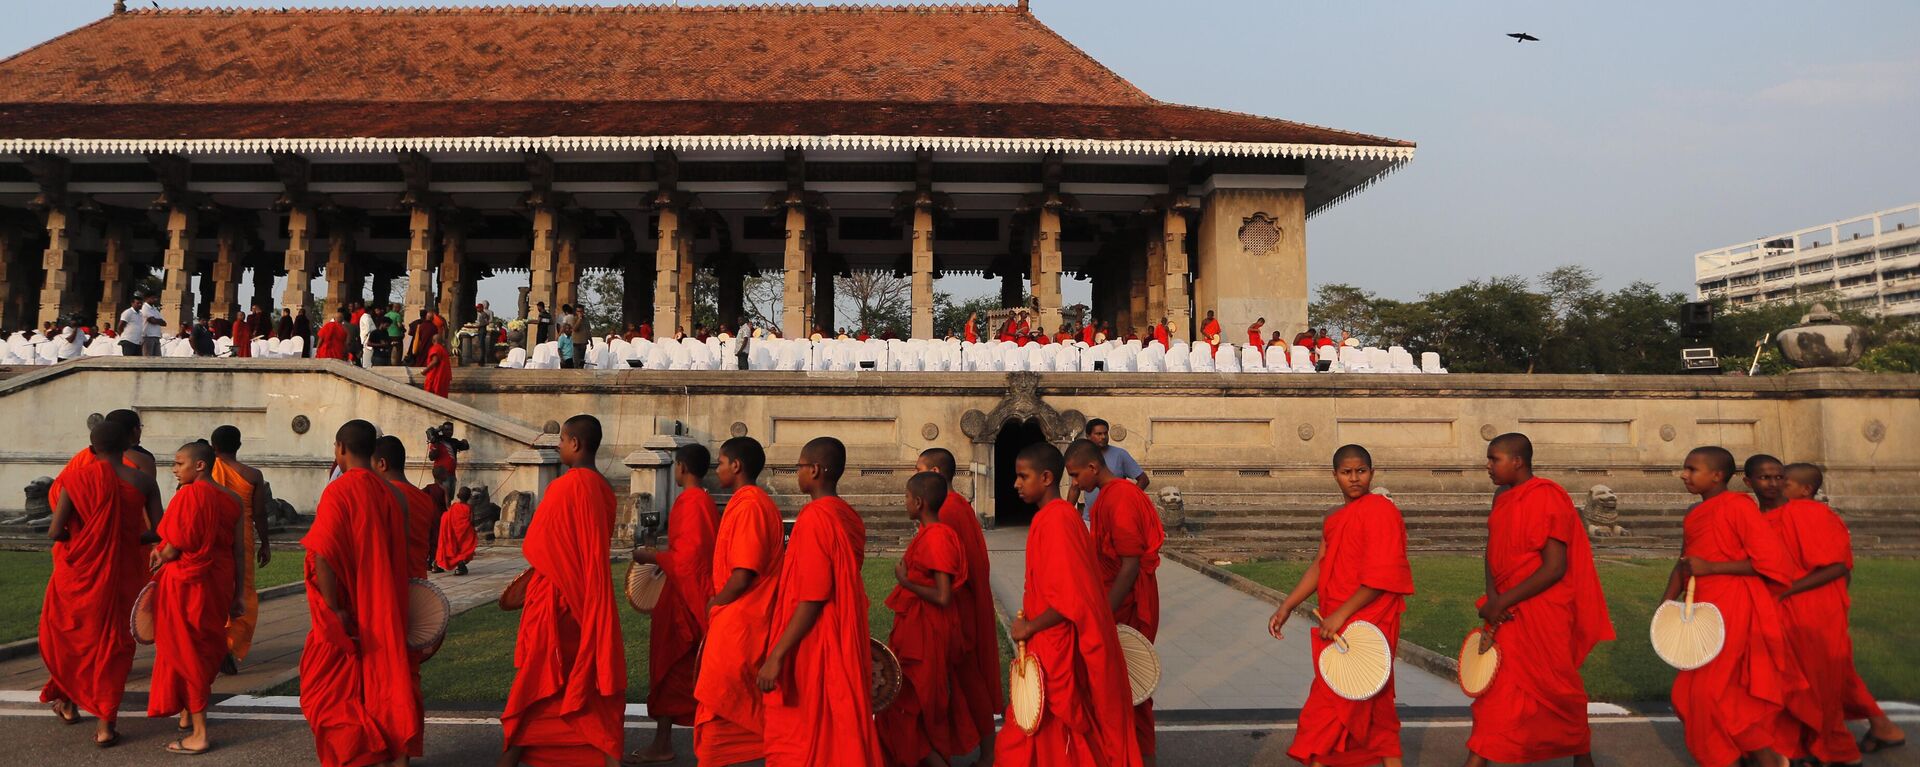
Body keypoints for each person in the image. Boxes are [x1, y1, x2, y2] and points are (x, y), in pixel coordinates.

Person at [1463, 434, 1613, 767]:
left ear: (1517, 461)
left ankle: (1581, 755)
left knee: (1557, 688)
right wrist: (1493, 597)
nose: (1488, 466)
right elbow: (1492, 551)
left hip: (1542, 607)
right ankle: (1478, 758)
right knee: (1496, 688)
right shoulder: (1501, 497)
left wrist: (1504, 602)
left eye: (1494, 459)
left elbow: (1555, 567)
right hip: (1505, 609)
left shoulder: (1547, 497)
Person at [1666, 446, 1815, 767]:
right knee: (1689, 696)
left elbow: (1772, 563)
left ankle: (1744, 757)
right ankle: (1761, 757)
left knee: (1713, 695)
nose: (1684, 474)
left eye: (1692, 469)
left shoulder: (1738, 508)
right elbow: (1684, 563)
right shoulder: (1695, 514)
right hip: (1700, 610)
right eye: (1686, 468)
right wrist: (1666, 604)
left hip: (1735, 609)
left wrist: (1713, 568)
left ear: (1717, 476)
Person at [996, 442, 1140, 767]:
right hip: (1045, 641)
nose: (1016, 484)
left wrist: (1029, 626)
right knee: (1032, 733)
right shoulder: (1053, 517)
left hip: (1054, 642)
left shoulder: (1058, 521)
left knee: (1039, 733)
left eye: (1023, 476)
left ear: (1046, 477)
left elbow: (1071, 600)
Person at [1268, 445, 1413, 767]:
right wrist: (1287, 605)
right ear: (1335, 475)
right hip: (1335, 620)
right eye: (1346, 472)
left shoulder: (1382, 510)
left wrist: (1341, 614)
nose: (1354, 478)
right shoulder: (1334, 518)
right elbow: (1321, 564)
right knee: (1339, 700)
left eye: (1361, 471)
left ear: (1372, 473)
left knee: (1363, 700)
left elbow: (1382, 575)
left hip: (1369, 619)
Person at [499, 415, 626, 767]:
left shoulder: (564, 487)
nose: (559, 447)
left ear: (575, 444)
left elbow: (541, 547)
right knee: (583, 680)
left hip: (556, 604)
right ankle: (605, 753)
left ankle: (512, 754)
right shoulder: (604, 489)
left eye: (562, 441)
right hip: (589, 602)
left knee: (539, 681)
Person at [299, 419, 420, 767]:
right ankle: (394, 752)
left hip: (351, 607)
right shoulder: (396, 494)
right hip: (388, 603)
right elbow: (406, 553)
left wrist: (333, 606)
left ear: (340, 449)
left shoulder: (338, 491)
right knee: (387, 679)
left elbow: (323, 552)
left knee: (327, 693)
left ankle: (362, 752)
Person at [756, 437, 884, 766]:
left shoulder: (815, 518)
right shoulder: (849, 516)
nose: (796, 473)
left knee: (810, 727)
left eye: (798, 467)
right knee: (836, 722)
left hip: (817, 639)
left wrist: (777, 654)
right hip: (844, 632)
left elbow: (813, 595)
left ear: (814, 470)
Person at [1769, 463, 1907, 763]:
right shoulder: (1819, 515)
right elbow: (1843, 569)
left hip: (1808, 606)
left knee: (1813, 680)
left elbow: (1836, 566)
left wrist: (1787, 591)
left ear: (1806, 489)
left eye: (1785, 481)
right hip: (1824, 605)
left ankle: (1830, 747)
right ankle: (1883, 727)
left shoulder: (1803, 513)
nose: (1778, 485)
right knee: (1835, 673)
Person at [39, 419, 162, 748]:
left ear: (91, 448)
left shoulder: (75, 478)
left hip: (78, 570)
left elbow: (54, 531)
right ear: (128, 446)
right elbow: (157, 532)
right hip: (123, 570)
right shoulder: (142, 481)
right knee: (114, 645)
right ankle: (106, 725)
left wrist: (83, 537)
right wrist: (121, 537)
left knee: (74, 636)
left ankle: (67, 699)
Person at [1068, 438, 1164, 764]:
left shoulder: (1120, 498)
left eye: (1076, 475)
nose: (1075, 483)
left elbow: (1130, 563)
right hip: (1114, 596)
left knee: (1129, 683)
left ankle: (1141, 755)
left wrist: (1104, 615)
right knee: (1114, 684)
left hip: (1127, 601)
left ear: (1093, 468)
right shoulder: (1106, 497)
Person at [147, 441, 245, 756]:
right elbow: (239, 551)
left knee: (186, 650)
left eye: (179, 464)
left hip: (187, 584)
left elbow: (175, 547)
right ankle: (188, 710)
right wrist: (239, 591)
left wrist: (160, 553)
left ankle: (200, 733)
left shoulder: (188, 495)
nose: (174, 470)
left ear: (199, 465)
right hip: (218, 582)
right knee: (204, 646)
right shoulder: (232, 499)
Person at [693, 436, 785, 766]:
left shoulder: (750, 505)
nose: (716, 468)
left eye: (720, 462)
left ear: (736, 465)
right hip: (737, 617)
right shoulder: (746, 502)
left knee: (723, 704)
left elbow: (744, 572)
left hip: (742, 619)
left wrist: (717, 601)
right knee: (723, 707)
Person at [627, 444, 721, 765]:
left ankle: (665, 741)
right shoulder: (702, 501)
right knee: (683, 670)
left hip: (683, 598)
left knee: (670, 668)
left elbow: (689, 560)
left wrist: (651, 556)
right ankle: (675, 739)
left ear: (680, 467)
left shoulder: (692, 502)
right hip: (688, 592)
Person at [878, 472, 971, 767]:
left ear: (918, 502)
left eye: (906, 497)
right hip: (916, 631)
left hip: (927, 636)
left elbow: (943, 596)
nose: (904, 502)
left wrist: (905, 582)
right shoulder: (928, 534)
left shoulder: (938, 537)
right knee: (902, 705)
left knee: (908, 706)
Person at [915, 448, 997, 764]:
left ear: (934, 474)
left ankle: (949, 752)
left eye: (918, 469)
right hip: (961, 604)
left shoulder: (945, 511)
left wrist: (909, 581)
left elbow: (941, 571)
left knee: (960, 681)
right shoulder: (957, 503)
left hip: (953, 609)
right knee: (963, 681)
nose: (914, 475)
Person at [371, 435, 436, 759]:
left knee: (385, 679)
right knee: (408, 676)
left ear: (381, 464)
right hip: (418, 594)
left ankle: (388, 750)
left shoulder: (383, 496)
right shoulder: (424, 500)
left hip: (387, 593)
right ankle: (404, 752)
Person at [209, 425, 272, 668]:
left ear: (213, 447)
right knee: (242, 589)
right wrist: (265, 543)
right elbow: (259, 513)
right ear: (239, 446)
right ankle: (231, 645)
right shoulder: (252, 474)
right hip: (243, 535)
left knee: (218, 587)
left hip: (216, 536)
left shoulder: (205, 471)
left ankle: (217, 642)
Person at [1066, 419, 1148, 525]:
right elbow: (1074, 487)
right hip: (1089, 519)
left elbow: (1143, 479)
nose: (1103, 437)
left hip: (1115, 519)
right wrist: (1067, 513)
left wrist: (1128, 501)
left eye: (1105, 433)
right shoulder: (1082, 457)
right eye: (1098, 434)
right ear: (1088, 436)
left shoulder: (1120, 454)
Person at [435, 486, 477, 576]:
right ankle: (460, 565)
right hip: (463, 534)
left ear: (458, 496)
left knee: (450, 548)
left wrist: (446, 493)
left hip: (452, 532)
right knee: (464, 549)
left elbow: (448, 509)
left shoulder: (454, 506)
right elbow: (472, 521)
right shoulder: (469, 508)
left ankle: (437, 564)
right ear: (469, 497)